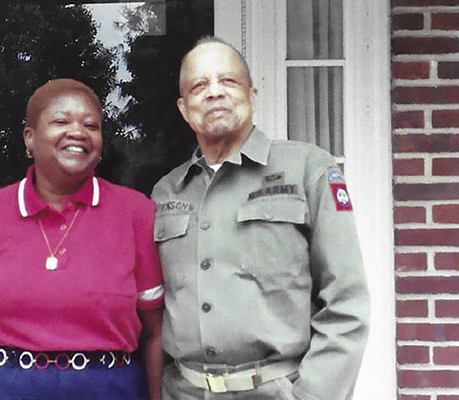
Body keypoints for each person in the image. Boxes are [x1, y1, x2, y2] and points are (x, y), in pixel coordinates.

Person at [152, 36, 370, 400]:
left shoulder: (307, 169)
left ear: (252, 93)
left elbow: (346, 303)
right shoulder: (166, 192)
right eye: (199, 85)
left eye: (229, 81)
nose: (214, 92)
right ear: (183, 107)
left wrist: (313, 395)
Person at [0, 78, 164, 400]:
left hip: (111, 389)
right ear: (29, 139)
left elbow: (156, 328)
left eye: (91, 125)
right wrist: (16, 360)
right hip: (7, 389)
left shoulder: (136, 215)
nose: (78, 132)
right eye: (61, 121)